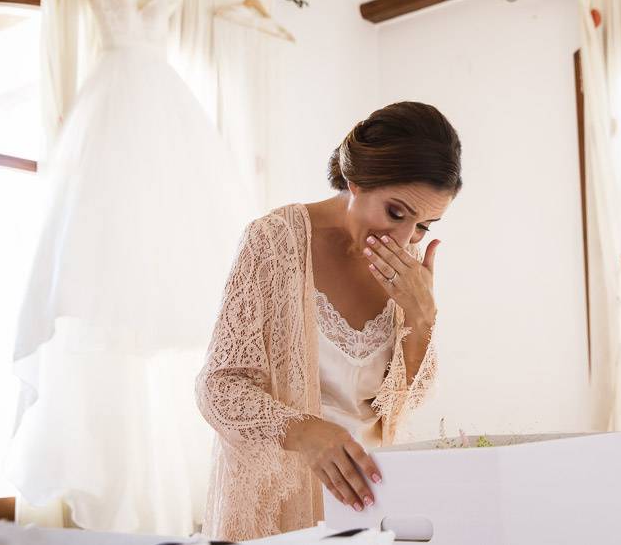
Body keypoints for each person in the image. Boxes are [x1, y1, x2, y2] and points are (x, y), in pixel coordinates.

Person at [195, 101, 463, 540]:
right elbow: (219, 387)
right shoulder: (274, 240)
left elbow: (401, 406)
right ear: (356, 182)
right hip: (279, 502)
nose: (404, 238)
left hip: (370, 501)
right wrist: (305, 431)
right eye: (396, 212)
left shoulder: (406, 270)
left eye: (423, 226)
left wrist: (422, 315)